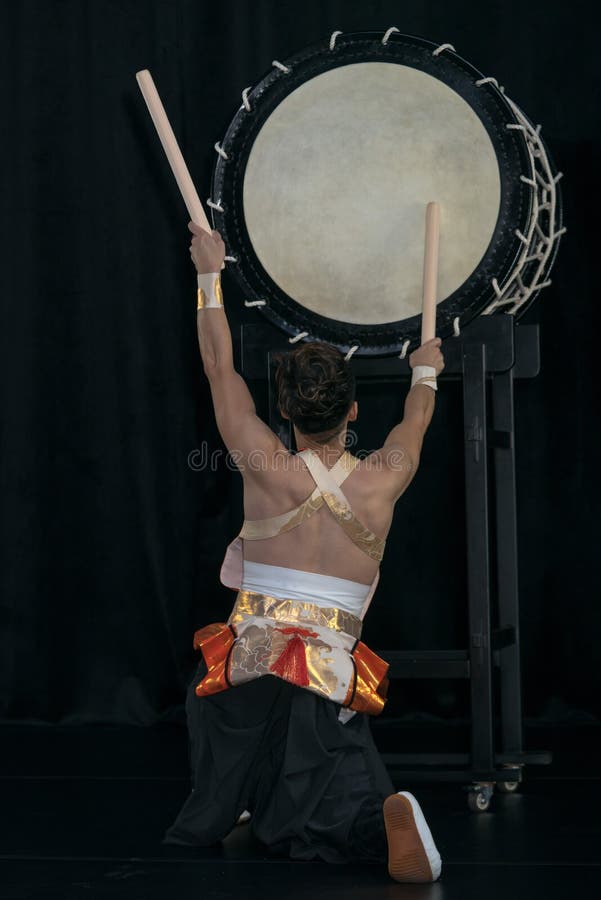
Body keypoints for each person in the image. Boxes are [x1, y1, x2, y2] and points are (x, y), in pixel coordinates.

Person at [162, 222, 445, 883]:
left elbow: (217, 366)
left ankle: (229, 798)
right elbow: (417, 416)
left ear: (282, 415)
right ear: (351, 411)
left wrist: (209, 275)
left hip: (246, 666)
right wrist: (425, 366)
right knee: (328, 785)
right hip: (324, 675)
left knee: (222, 712)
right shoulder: (383, 478)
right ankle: (377, 818)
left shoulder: (263, 462)